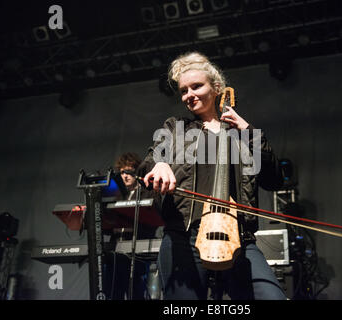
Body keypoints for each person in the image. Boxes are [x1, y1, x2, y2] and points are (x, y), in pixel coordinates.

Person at [138, 52, 287, 300]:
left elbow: (274, 179)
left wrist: (250, 132)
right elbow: (148, 162)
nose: (189, 95)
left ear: (217, 88)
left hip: (238, 238)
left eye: (196, 86)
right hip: (184, 237)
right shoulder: (176, 128)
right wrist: (160, 165)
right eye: (184, 90)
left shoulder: (242, 135)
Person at [103, 152, 149, 300]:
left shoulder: (146, 194)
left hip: (136, 255)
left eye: (129, 172)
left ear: (137, 173)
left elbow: (151, 221)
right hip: (115, 254)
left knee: (135, 294)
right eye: (122, 172)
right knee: (113, 293)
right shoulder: (118, 196)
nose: (125, 176)